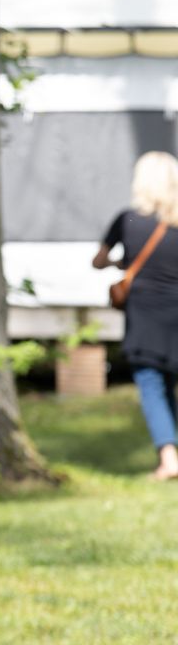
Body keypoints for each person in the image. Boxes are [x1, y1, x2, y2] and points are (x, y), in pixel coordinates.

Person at [96, 151, 178, 479]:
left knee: (151, 383)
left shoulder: (128, 220)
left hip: (144, 316)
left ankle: (169, 459)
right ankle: (172, 454)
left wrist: (122, 263)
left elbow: (98, 260)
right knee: (167, 383)